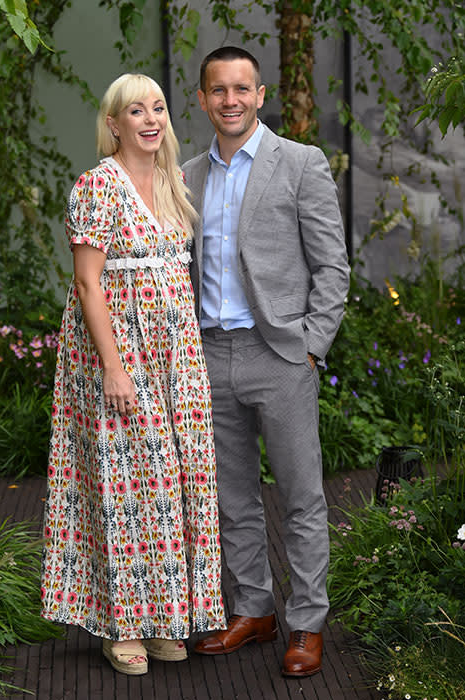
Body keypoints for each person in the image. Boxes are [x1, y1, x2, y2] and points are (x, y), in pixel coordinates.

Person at [40, 73, 225, 676]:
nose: (151, 119)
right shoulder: (97, 185)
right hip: (118, 352)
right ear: (114, 123)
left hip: (177, 355)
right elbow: (89, 284)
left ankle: (165, 616)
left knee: (176, 479)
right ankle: (121, 625)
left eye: (159, 108)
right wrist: (114, 368)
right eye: (136, 111)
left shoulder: (173, 182)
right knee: (125, 482)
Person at [183, 46, 350, 677]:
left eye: (241, 89)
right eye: (218, 90)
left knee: (303, 497)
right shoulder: (188, 174)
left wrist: (311, 346)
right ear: (202, 99)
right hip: (207, 354)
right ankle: (253, 611)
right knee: (232, 497)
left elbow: (332, 267)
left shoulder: (301, 163)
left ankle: (307, 622)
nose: (230, 100)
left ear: (261, 95)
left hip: (279, 355)